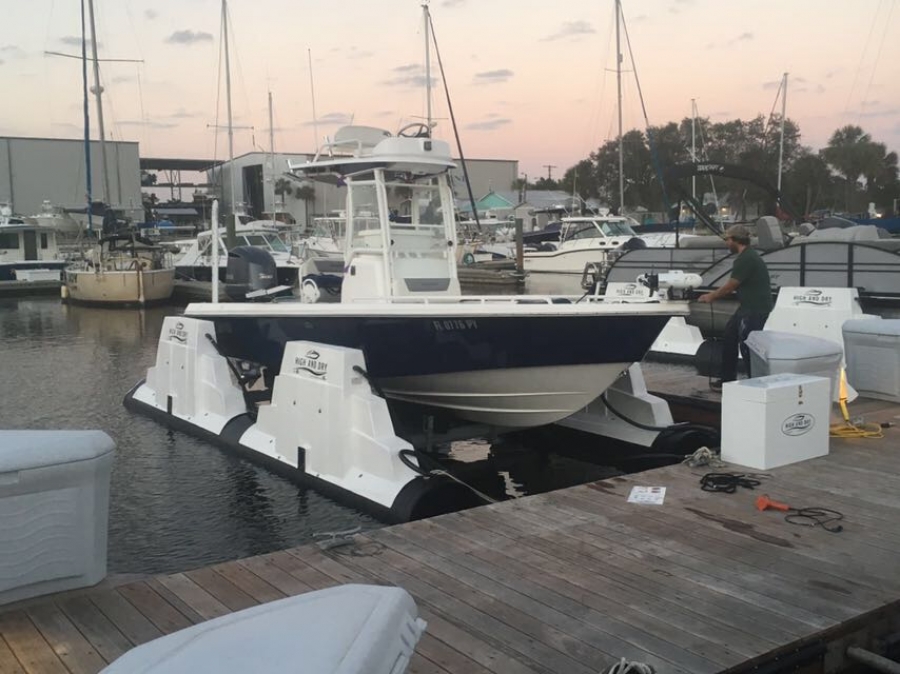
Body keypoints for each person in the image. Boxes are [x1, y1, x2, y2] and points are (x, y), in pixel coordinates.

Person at [698, 224, 773, 391]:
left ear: (735, 240)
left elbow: (731, 285)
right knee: (729, 336)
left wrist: (711, 296)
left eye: (728, 240)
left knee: (747, 344)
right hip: (747, 306)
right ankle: (727, 379)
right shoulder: (748, 256)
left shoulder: (745, 259)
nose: (726, 243)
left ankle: (756, 383)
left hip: (755, 308)